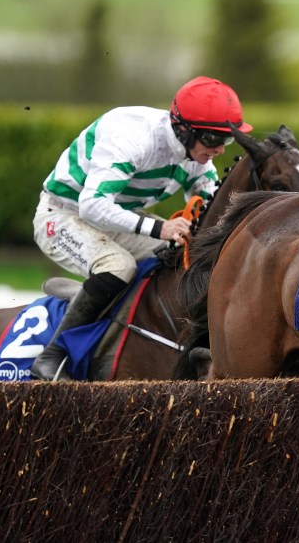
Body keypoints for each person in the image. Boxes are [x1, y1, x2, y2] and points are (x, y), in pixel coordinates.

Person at [29, 76, 251, 381]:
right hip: (64, 214)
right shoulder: (132, 140)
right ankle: (52, 356)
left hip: (115, 216)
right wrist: (159, 227)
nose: (220, 150)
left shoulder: (192, 151)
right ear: (184, 130)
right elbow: (92, 205)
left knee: (184, 255)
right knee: (119, 266)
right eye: (213, 140)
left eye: (225, 140)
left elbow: (208, 191)